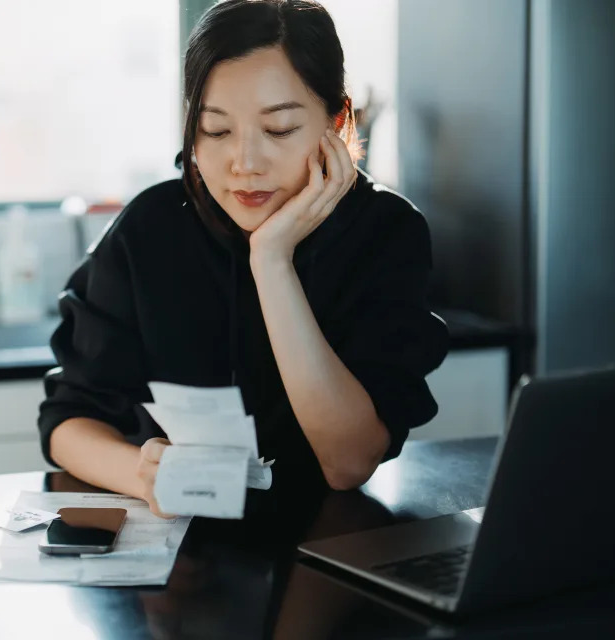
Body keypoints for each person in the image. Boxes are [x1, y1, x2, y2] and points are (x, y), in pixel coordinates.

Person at [37, 0, 449, 517]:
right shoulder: (151, 226)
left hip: (328, 550)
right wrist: (143, 476)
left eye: (278, 130)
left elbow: (348, 463)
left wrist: (272, 261)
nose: (245, 164)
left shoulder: (386, 233)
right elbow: (67, 420)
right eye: (216, 130)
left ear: (338, 122)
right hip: (175, 559)